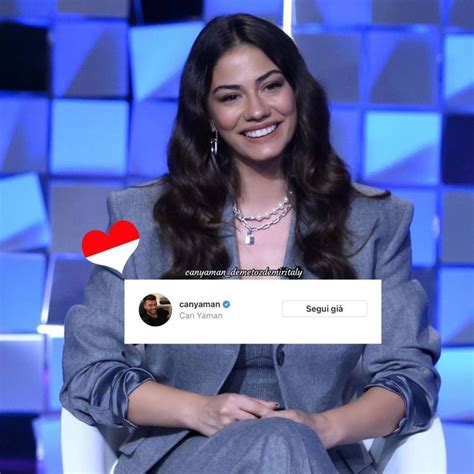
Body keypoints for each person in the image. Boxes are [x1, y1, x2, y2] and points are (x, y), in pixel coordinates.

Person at [60, 13, 441, 474]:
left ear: (297, 92)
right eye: (230, 97)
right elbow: (90, 369)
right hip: (187, 454)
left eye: (271, 86)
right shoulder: (144, 220)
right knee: (279, 443)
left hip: (318, 457)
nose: (257, 110)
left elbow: (409, 378)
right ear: (209, 116)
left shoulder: (375, 222)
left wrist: (321, 426)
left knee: (284, 442)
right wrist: (198, 409)